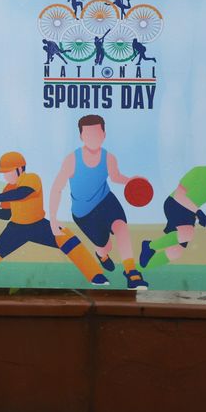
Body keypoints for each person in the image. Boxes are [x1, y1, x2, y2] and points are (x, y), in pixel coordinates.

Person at [0, 151, 109, 287]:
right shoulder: (8, 188)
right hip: (16, 229)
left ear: (20, 169)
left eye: (8, 171)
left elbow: (21, 193)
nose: (6, 176)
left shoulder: (31, 178)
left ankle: (96, 276)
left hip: (38, 226)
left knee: (68, 238)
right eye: (4, 173)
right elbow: (6, 215)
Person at [48, 115, 146, 289]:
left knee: (121, 227)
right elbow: (56, 188)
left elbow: (115, 177)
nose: (93, 138)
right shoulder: (72, 160)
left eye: (97, 134)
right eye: (88, 135)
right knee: (105, 246)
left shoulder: (109, 158)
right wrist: (53, 219)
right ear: (81, 137)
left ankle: (131, 272)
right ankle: (102, 254)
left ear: (104, 135)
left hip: (105, 200)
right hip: (84, 213)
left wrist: (131, 180)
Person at [140, 150, 206, 269]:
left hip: (191, 212)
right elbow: (179, 195)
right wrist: (198, 212)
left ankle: (139, 269)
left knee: (176, 252)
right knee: (187, 234)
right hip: (175, 204)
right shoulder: (198, 172)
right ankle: (149, 246)